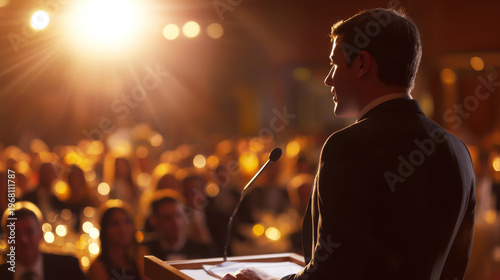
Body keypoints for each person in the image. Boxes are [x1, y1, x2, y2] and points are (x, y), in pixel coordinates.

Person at [222, 8, 475, 280]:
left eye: (335, 63)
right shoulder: (457, 150)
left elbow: (333, 272)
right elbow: (456, 265)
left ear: (362, 64)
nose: (328, 78)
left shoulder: (349, 146)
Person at [0, 202, 86, 280]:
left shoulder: (68, 268)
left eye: (29, 232)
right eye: (15, 234)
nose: (23, 239)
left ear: (41, 233)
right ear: (7, 238)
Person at [143, 193, 216, 261]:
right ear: (154, 221)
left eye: (178, 215)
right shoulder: (146, 252)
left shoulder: (202, 251)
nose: (175, 222)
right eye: (168, 218)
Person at [87, 200, 149, 280]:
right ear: (105, 229)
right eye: (115, 224)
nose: (122, 228)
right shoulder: (98, 267)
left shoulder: (139, 261)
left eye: (127, 222)